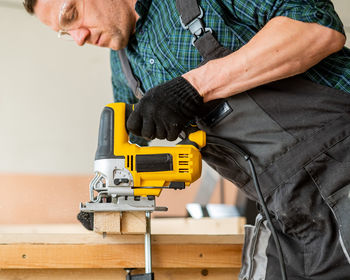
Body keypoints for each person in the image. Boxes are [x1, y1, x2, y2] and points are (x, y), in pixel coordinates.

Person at [24, 0, 350, 279]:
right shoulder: (124, 63)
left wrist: (194, 87)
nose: (78, 37)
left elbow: (316, 28)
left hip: (340, 167)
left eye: (71, 14)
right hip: (285, 215)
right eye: (65, 32)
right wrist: (109, 193)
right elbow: (125, 149)